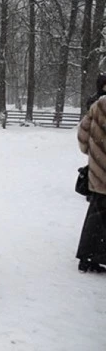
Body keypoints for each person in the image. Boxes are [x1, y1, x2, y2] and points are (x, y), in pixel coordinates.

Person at [75, 72, 106, 273]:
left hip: (98, 172)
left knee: (96, 216)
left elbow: (82, 133)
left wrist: (93, 154)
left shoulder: (99, 104)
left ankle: (87, 257)